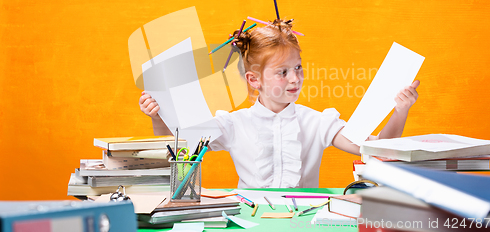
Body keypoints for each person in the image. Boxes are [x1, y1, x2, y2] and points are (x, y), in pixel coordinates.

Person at [139, 20, 420, 188]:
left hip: (305, 221)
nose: (294, 78)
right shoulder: (234, 124)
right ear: (254, 79)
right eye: (282, 72)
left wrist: (400, 110)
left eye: (298, 68)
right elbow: (179, 150)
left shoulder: (317, 123)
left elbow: (376, 150)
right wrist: (158, 117)